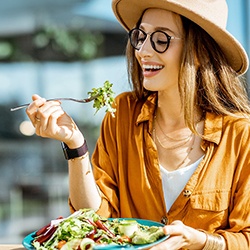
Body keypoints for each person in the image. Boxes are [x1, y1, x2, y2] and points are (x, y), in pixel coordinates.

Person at [26, 0, 250, 249]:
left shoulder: (241, 135)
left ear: (199, 52)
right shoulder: (120, 114)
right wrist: (75, 144)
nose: (143, 51)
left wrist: (202, 241)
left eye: (161, 39)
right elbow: (94, 219)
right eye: (140, 36)